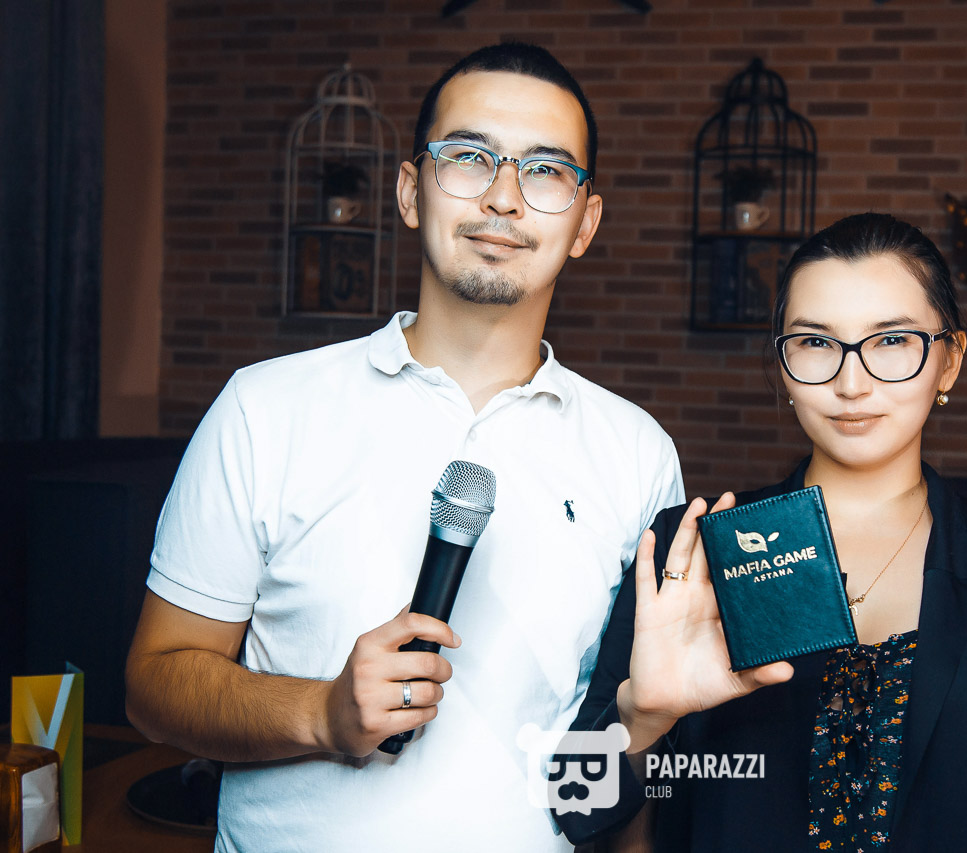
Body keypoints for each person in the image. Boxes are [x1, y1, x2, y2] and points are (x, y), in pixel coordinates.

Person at [124, 43, 683, 852]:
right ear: (411, 191)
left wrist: (643, 728)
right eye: (469, 157)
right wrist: (320, 713)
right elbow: (153, 685)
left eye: (546, 171)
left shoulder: (638, 454)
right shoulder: (265, 408)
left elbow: (609, 764)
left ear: (585, 223)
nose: (503, 197)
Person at [556, 213, 967, 852]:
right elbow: (576, 807)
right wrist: (641, 720)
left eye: (892, 341)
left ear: (949, 361)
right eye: (816, 343)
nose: (852, 384)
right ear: (782, 364)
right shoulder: (693, 551)